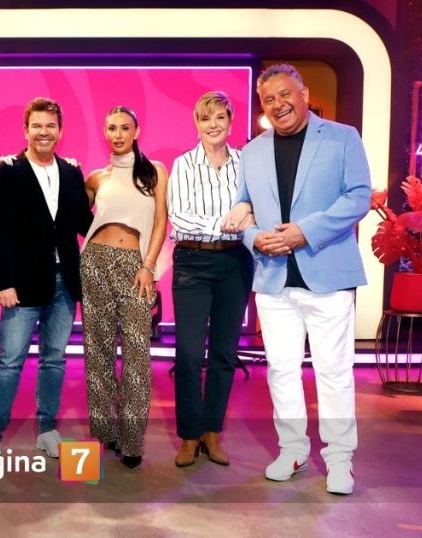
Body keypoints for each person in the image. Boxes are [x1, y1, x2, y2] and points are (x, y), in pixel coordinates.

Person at [225, 64, 371, 495]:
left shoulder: (342, 137)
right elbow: (242, 208)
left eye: (285, 94)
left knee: (334, 372)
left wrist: (304, 232)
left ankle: (340, 459)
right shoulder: (252, 151)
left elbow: (358, 197)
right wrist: (255, 238)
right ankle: (292, 449)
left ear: (304, 94)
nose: (278, 105)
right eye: (268, 99)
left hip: (327, 275)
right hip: (273, 280)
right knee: (282, 371)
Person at [0, 97, 93, 459]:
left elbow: (83, 223)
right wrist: (2, 282)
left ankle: (47, 429)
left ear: (60, 130)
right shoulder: (6, 171)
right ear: (26, 130)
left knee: (54, 359)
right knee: (9, 361)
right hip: (21, 286)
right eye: (37, 126)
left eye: (50, 126)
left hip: (64, 285)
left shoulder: (72, 173)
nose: (44, 132)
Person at [166, 91, 255, 468]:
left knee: (224, 352)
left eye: (220, 117)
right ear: (196, 124)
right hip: (192, 262)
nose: (213, 124)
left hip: (235, 261)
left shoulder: (247, 163)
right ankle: (189, 435)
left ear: (230, 122)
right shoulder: (183, 164)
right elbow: (179, 216)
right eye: (206, 118)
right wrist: (227, 222)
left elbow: (257, 206)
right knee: (188, 353)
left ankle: (211, 432)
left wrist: (245, 214)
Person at [81, 106, 168, 469]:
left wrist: (148, 266)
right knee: (97, 351)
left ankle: (132, 441)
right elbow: (73, 215)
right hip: (95, 262)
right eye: (112, 128)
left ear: (136, 131)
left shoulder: (154, 171)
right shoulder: (95, 178)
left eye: (124, 128)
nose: (118, 134)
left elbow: (161, 221)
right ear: (105, 132)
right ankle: (107, 432)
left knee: (136, 354)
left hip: (136, 268)